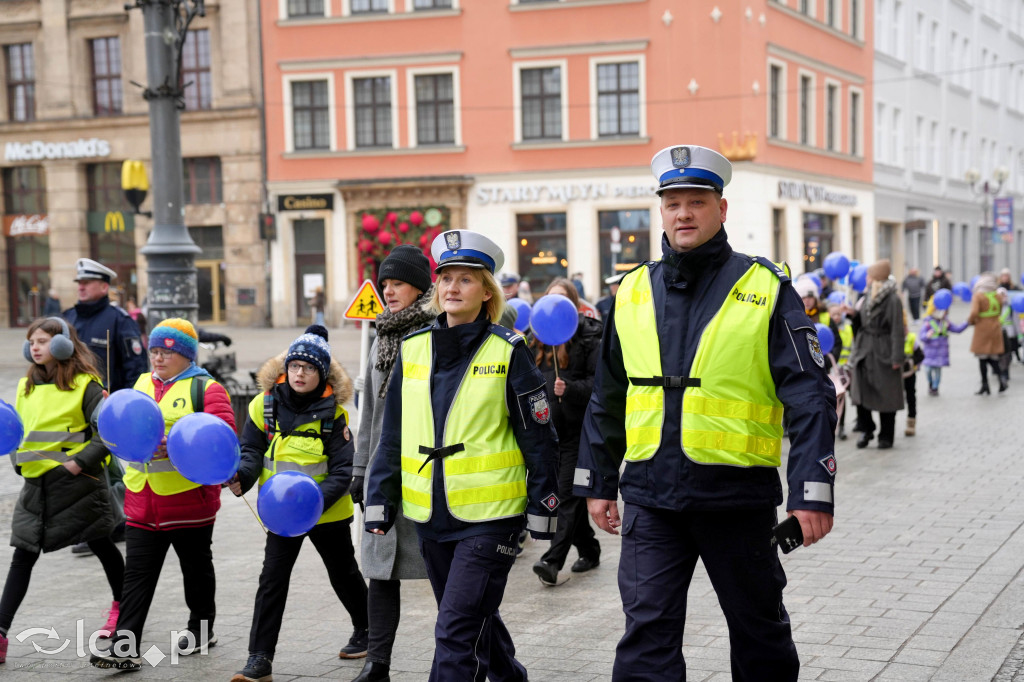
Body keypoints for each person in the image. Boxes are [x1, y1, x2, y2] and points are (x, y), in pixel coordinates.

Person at [575, 145, 837, 681]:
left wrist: (811, 488)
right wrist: (597, 480)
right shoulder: (630, 291)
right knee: (646, 636)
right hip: (650, 496)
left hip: (736, 498)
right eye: (672, 203)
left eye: (696, 201)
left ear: (721, 208)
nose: (683, 213)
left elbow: (810, 394)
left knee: (759, 631)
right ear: (662, 212)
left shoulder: (765, 287)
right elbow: (608, 395)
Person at [365, 229, 560, 681]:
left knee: (454, 631)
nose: (452, 287)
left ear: (486, 291)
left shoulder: (509, 351)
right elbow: (390, 435)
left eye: (466, 279)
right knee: (475, 621)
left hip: (492, 517)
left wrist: (545, 506)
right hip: (431, 517)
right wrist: (380, 497)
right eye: (446, 278)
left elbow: (539, 437)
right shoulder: (412, 350)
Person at [90, 319, 235, 671]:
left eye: (166, 352)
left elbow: (223, 443)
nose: (157, 358)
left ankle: (201, 630)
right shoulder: (140, 384)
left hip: (189, 502)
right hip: (142, 501)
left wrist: (175, 447)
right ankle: (125, 646)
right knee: (137, 575)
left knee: (196, 570)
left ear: (186, 355)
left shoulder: (207, 390)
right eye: (154, 351)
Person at [228, 325, 369, 682]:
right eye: (294, 366)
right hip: (280, 513)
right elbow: (251, 451)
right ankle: (259, 660)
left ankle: (367, 629)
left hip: (327, 512)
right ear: (284, 369)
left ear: (321, 373)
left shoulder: (335, 415)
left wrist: (313, 502)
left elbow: (342, 469)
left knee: (343, 574)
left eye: (308, 368)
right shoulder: (264, 404)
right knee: (272, 579)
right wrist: (242, 478)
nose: (300, 373)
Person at [0, 318, 124, 665]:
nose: (35, 347)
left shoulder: (87, 386)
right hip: (36, 486)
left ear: (62, 346)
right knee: (22, 555)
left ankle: (123, 612)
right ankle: (0, 634)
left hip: (80, 485)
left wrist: (78, 463)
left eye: (42, 340)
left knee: (102, 544)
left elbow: (108, 434)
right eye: (32, 341)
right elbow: (18, 430)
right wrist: (19, 464)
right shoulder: (26, 386)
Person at [351, 245, 436, 682]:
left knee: (446, 570)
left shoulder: (439, 330)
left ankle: (468, 656)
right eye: (384, 283)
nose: (387, 291)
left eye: (396, 283)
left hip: (429, 471)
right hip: (384, 474)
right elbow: (368, 414)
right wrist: (359, 470)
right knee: (380, 568)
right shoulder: (382, 336)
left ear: (419, 286)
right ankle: (376, 663)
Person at [530, 279, 603, 586]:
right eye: (550, 299)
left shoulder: (588, 337)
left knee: (566, 497)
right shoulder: (537, 339)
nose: (555, 307)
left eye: (562, 300)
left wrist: (570, 389)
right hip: (548, 435)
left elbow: (599, 385)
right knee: (567, 497)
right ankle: (589, 547)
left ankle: (552, 560)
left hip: (576, 433)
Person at [63, 258, 147, 393]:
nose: (81, 287)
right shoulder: (68, 318)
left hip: (106, 401)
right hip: (71, 399)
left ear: (104, 287)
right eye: (79, 283)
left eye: (87, 283)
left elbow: (136, 369)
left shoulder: (120, 321)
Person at [848, 259, 905, 449]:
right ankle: (866, 428)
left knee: (886, 394)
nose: (866, 278)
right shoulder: (866, 297)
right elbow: (863, 322)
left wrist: (897, 358)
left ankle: (886, 435)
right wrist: (852, 315)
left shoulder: (892, 299)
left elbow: (897, 329)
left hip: (884, 350)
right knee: (860, 391)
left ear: (876, 278)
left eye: (869, 276)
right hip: (864, 349)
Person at [967, 274, 1007, 394]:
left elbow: (974, 312)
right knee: (993, 357)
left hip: (982, 329)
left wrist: (971, 322)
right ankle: (1001, 380)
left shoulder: (978, 296)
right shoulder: (997, 295)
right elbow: (1000, 311)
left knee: (982, 358)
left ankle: (985, 385)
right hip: (995, 328)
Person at [919, 298, 968, 396]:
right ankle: (931, 383)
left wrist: (968, 322)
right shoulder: (928, 323)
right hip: (929, 353)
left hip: (940, 353)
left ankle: (935, 388)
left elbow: (957, 329)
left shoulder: (945, 322)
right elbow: (922, 336)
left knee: (937, 371)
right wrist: (927, 335)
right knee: (928, 370)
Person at [828, 303, 853, 440]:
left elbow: (852, 346)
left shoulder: (848, 329)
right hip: (830, 369)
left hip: (843, 369)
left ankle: (842, 426)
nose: (837, 317)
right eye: (834, 314)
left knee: (842, 398)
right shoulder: (826, 328)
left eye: (839, 314)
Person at [901, 312, 923, 437]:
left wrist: (911, 362)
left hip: (909, 374)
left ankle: (911, 422)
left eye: (904, 327)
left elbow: (920, 355)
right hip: (895, 375)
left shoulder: (911, 338)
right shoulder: (891, 339)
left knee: (911, 397)